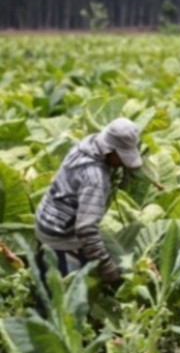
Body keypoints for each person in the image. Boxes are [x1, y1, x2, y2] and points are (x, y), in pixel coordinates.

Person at [34, 118, 143, 290]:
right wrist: (107, 266)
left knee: (44, 284)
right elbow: (86, 229)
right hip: (61, 238)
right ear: (110, 150)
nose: (123, 162)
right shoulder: (95, 178)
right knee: (63, 301)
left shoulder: (85, 145)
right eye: (122, 156)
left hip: (45, 221)